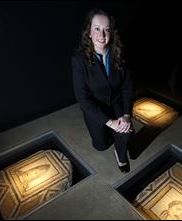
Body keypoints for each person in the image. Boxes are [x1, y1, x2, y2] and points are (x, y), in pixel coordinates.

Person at [71, 8, 134, 173]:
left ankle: (120, 155)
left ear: (111, 32)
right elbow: (83, 100)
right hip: (95, 107)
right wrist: (110, 122)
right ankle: (111, 135)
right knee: (100, 146)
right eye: (97, 29)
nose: (102, 35)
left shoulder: (119, 54)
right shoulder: (78, 61)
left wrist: (126, 115)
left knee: (126, 132)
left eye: (107, 29)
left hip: (115, 102)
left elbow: (127, 88)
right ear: (89, 32)